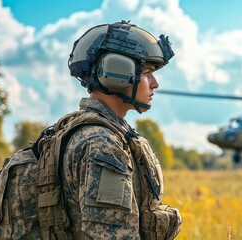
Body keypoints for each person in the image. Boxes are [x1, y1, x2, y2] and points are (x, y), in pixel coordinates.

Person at [63, 20, 182, 239]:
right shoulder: (102, 144)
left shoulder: (86, 131)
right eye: (147, 73)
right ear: (117, 74)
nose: (155, 83)